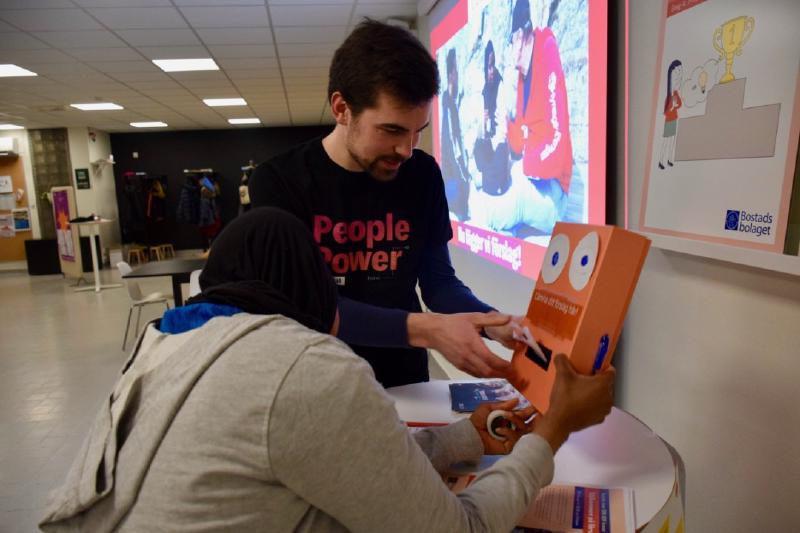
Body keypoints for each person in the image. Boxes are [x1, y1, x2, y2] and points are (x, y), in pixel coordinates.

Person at [39, 207, 616, 533]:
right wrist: (552, 430)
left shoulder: (166, 344)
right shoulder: (306, 366)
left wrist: (466, 437)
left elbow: (342, 460)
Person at [249, 20, 520, 388]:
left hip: (404, 382)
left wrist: (495, 322)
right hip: (314, 384)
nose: (406, 150)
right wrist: (428, 330)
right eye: (392, 130)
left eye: (417, 132)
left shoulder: (421, 174)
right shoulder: (279, 182)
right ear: (342, 108)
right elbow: (305, 309)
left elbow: (439, 284)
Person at [469, 0, 573, 235]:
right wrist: (507, 126)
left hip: (554, 191)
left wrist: (523, 166)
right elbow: (518, 147)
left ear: (522, 35)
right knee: (501, 207)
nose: (509, 49)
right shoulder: (522, 77)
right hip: (534, 181)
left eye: (510, 41)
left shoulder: (547, 49)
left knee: (503, 203)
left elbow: (559, 135)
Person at [440, 47, 470, 220]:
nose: (458, 75)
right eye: (456, 70)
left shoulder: (450, 102)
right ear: (451, 74)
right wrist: (464, 177)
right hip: (454, 184)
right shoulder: (447, 105)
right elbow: (451, 145)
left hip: (452, 181)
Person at [658, 59, 683, 170]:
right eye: (677, 74)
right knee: (666, 141)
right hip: (669, 120)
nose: (678, 78)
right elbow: (666, 112)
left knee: (672, 140)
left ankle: (669, 159)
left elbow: (680, 104)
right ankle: (661, 160)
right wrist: (673, 106)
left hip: (674, 119)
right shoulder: (668, 96)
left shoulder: (675, 93)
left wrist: (676, 105)